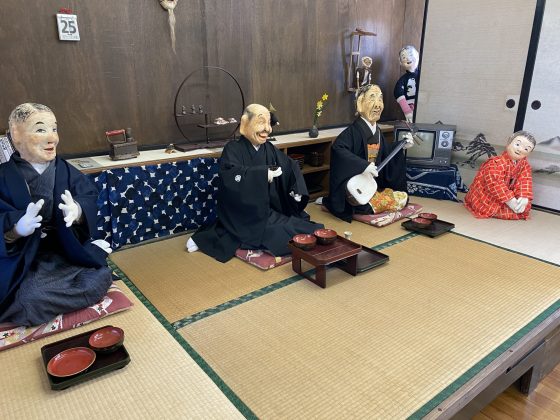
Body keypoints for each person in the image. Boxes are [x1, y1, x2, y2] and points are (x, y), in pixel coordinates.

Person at [0, 103, 113, 326]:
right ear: (16, 134)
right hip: (23, 260)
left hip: (63, 250)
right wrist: (15, 229)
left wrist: (78, 210)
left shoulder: (64, 169)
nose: (52, 138)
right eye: (41, 129)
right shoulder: (3, 177)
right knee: (29, 299)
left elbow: (88, 195)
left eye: (54, 129)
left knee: (99, 277)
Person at [187, 103, 323, 262]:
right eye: (261, 122)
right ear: (245, 123)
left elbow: (289, 166)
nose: (267, 129)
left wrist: (295, 188)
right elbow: (231, 177)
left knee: (305, 227)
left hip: (268, 209)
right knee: (282, 233)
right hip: (243, 214)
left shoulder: (269, 148)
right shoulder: (232, 149)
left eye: (269, 123)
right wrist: (262, 174)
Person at [323, 84, 414, 223]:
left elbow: (385, 153)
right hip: (357, 188)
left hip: (372, 184)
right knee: (364, 205)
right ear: (360, 103)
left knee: (403, 197)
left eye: (380, 99)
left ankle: (374, 202)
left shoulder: (377, 131)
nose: (378, 104)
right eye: (372, 98)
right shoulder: (352, 133)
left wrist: (400, 146)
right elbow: (339, 150)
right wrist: (363, 165)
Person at [464, 131, 536, 220]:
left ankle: (511, 207)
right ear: (509, 143)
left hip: (506, 195)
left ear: (529, 153)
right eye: (517, 144)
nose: (520, 149)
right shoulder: (495, 163)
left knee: (524, 208)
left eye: (526, 149)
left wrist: (524, 197)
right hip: (488, 195)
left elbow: (525, 181)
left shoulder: (524, 165)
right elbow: (494, 184)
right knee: (495, 208)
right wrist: (510, 200)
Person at [394, 45, 419, 122]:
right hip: (410, 107)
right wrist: (407, 110)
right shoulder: (403, 80)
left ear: (417, 56)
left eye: (411, 55)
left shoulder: (424, 75)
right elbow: (398, 93)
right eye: (404, 57)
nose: (408, 58)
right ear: (401, 62)